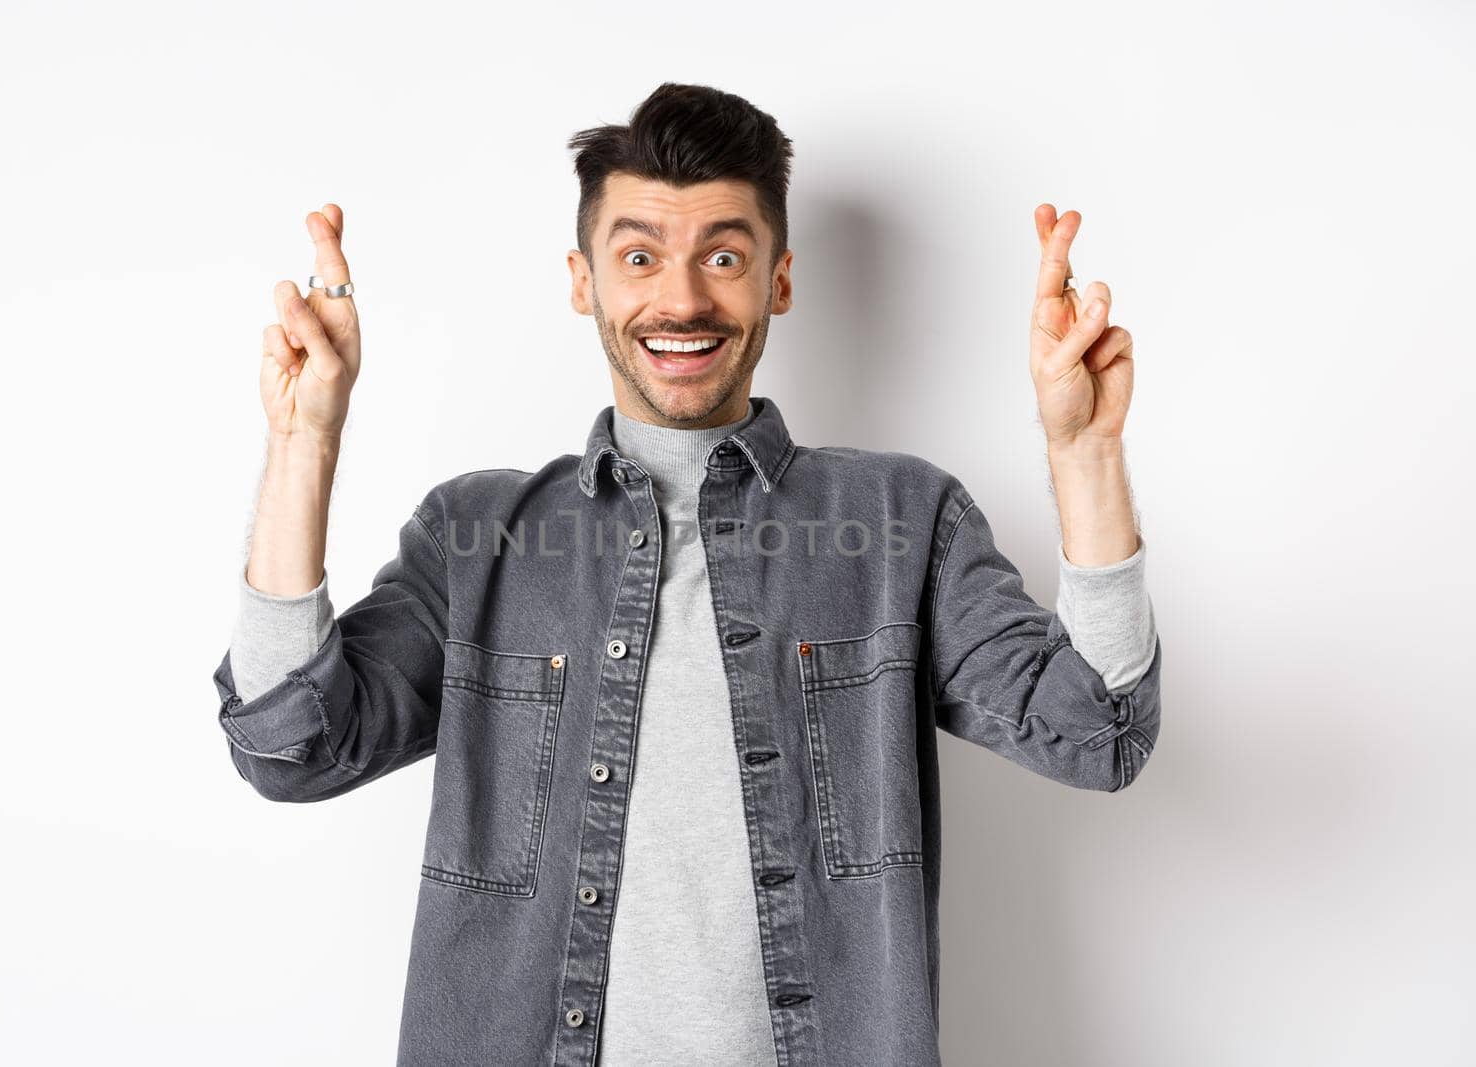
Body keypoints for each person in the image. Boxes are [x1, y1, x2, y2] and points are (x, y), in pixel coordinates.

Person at [212, 82, 1161, 1067]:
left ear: (776, 280)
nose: (681, 299)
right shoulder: (477, 535)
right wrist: (303, 439)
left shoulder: (897, 522)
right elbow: (291, 747)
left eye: (722, 256)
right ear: (583, 280)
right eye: (638, 256)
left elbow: (1098, 735)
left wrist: (1085, 451)